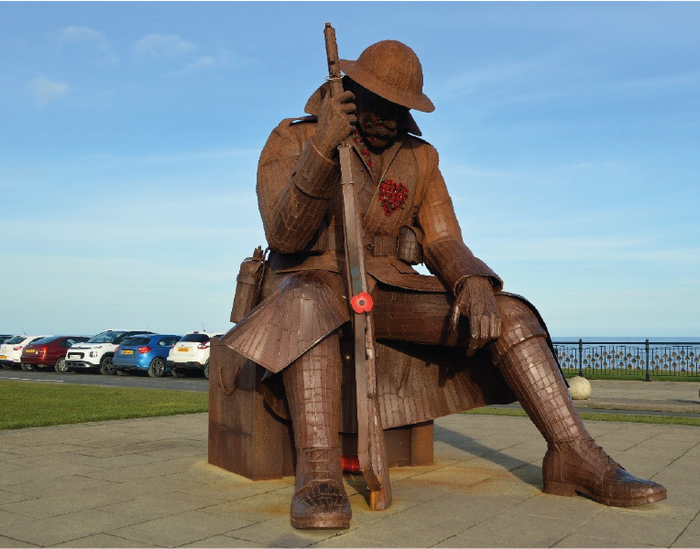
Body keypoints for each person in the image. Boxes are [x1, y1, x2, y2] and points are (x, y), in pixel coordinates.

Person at [222, 40, 666, 529]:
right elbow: (284, 233)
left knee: (511, 313)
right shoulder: (291, 138)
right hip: (308, 282)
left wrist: (471, 277)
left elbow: (444, 237)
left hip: (385, 289)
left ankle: (574, 454)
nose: (389, 119)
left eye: (400, 108)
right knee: (308, 304)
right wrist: (324, 147)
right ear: (351, 89)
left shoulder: (421, 158)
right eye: (379, 102)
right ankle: (319, 473)